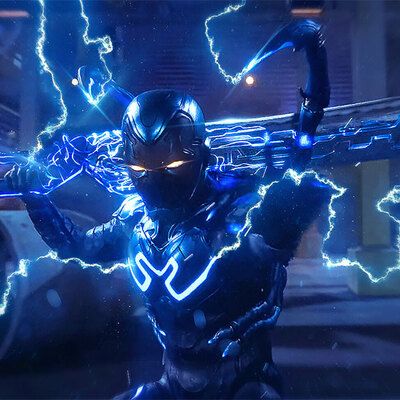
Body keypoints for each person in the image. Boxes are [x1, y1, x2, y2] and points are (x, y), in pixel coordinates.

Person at [5, 19, 330, 399]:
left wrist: (314, 67)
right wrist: (36, 198)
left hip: (244, 384)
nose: (155, 179)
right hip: (172, 385)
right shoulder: (137, 219)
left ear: (200, 156)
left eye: (171, 165)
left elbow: (297, 163)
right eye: (141, 167)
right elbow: (75, 245)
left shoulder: (238, 212)